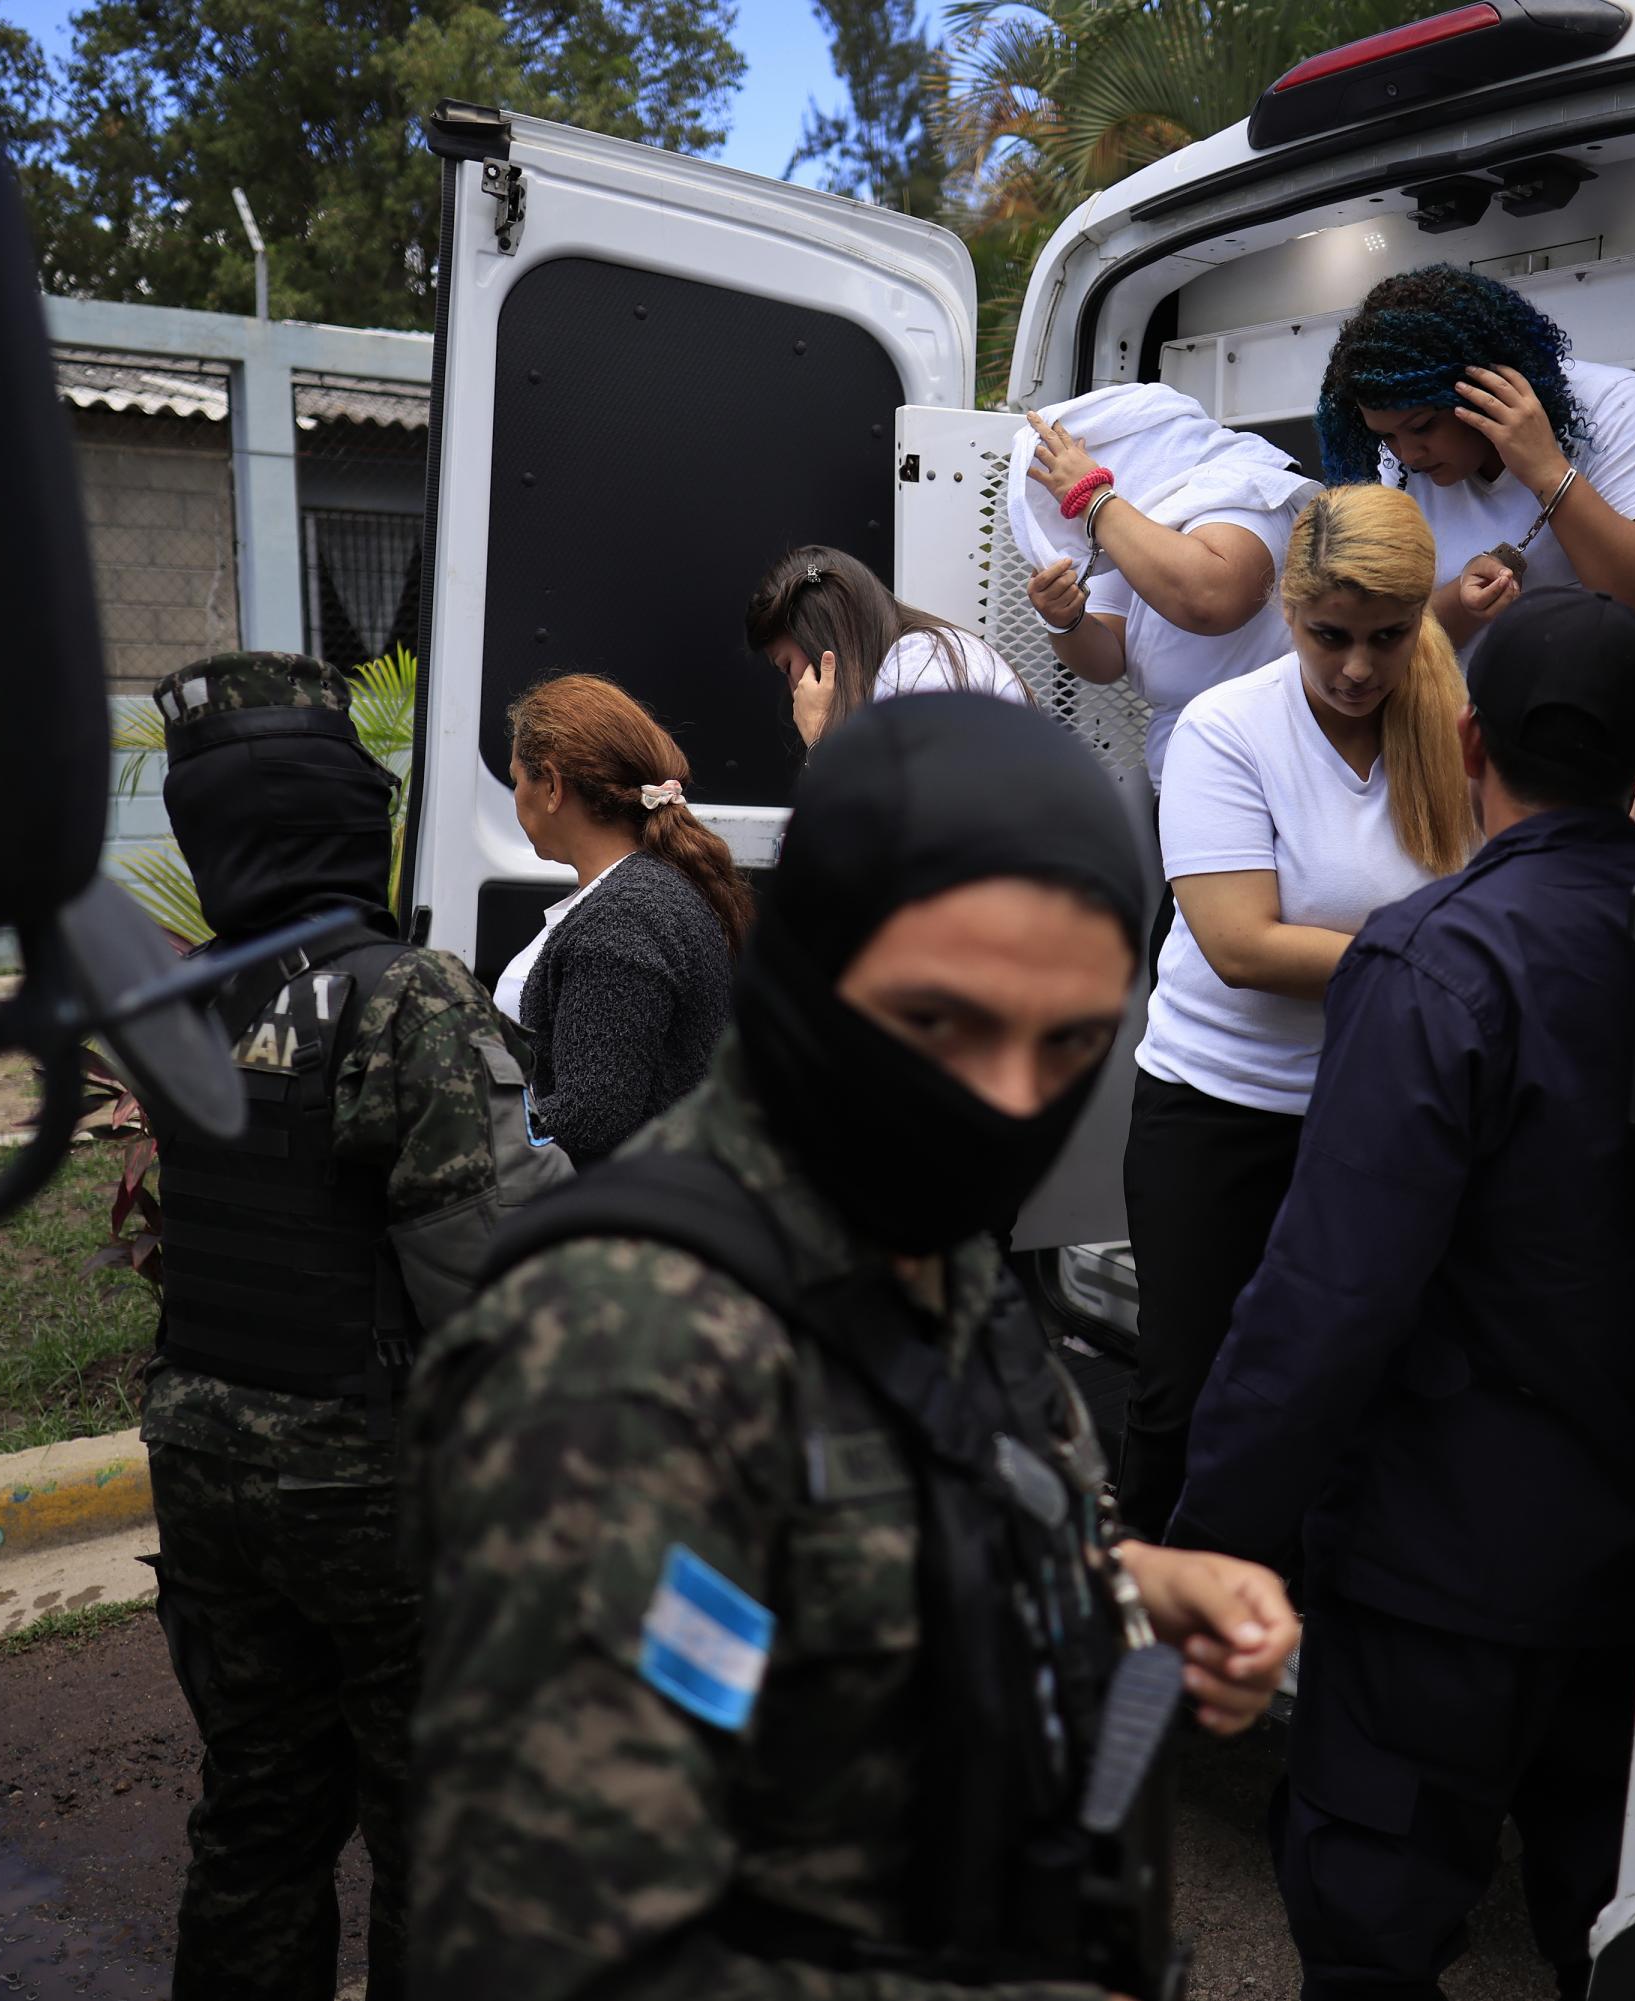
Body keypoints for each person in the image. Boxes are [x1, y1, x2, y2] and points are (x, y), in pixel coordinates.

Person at [406, 692, 1301, 1999]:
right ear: (815, 974)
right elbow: (552, 1956)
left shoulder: (930, 1247)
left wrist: (1128, 1591)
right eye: (941, 1022)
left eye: (1069, 1044)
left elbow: (895, 1572)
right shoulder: (627, 1354)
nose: (1005, 1096)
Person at [1165, 588, 1635, 2000]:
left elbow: (1327, 1294)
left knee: (1374, 1920)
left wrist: (1214, 1535)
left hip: (1439, 1560)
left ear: (1467, 739)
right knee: (1627, 1905)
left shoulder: (1432, 957)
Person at [139, 651, 563, 2001]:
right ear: (348, 818)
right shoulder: (404, 994)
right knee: (438, 1825)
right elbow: (490, 1273)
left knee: (258, 1805)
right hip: (371, 1475)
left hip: (201, 1456)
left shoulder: (182, 992)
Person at [1113, 483, 1476, 1546]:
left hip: (1370, 1113)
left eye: (1386, 639)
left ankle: (1300, 1626)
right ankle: (1150, 1628)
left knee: (1346, 1386)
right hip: (1217, 1112)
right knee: (1190, 1390)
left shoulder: (1449, 728)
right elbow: (1240, 945)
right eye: (1331, 638)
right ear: (1288, 610)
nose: (1359, 667)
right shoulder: (1229, 729)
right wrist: (1438, 962)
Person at [1316, 264, 1635, 645]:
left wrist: (1546, 471)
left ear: (1484, 386)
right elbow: (1380, 636)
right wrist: (1464, 604)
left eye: (1422, 426)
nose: (1409, 454)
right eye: (1386, 436)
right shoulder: (1396, 460)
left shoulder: (1616, 406)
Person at [492, 673, 748, 1164]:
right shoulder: (641, 892)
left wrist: (469, 1131)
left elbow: (592, 1116)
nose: (516, 795)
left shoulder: (624, 918)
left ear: (552, 786)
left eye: (517, 779)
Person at [1017, 386, 1316, 793]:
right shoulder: (1129, 525)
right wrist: (1066, 622)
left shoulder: (1241, 487)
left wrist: (1096, 499)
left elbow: (1211, 598)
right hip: (1185, 779)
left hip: (1283, 774)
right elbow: (1107, 661)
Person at [744, 544, 1032, 750]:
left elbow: (906, 825)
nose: (794, 689)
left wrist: (821, 739)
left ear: (818, 638)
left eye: (786, 666)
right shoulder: (916, 663)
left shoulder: (921, 668)